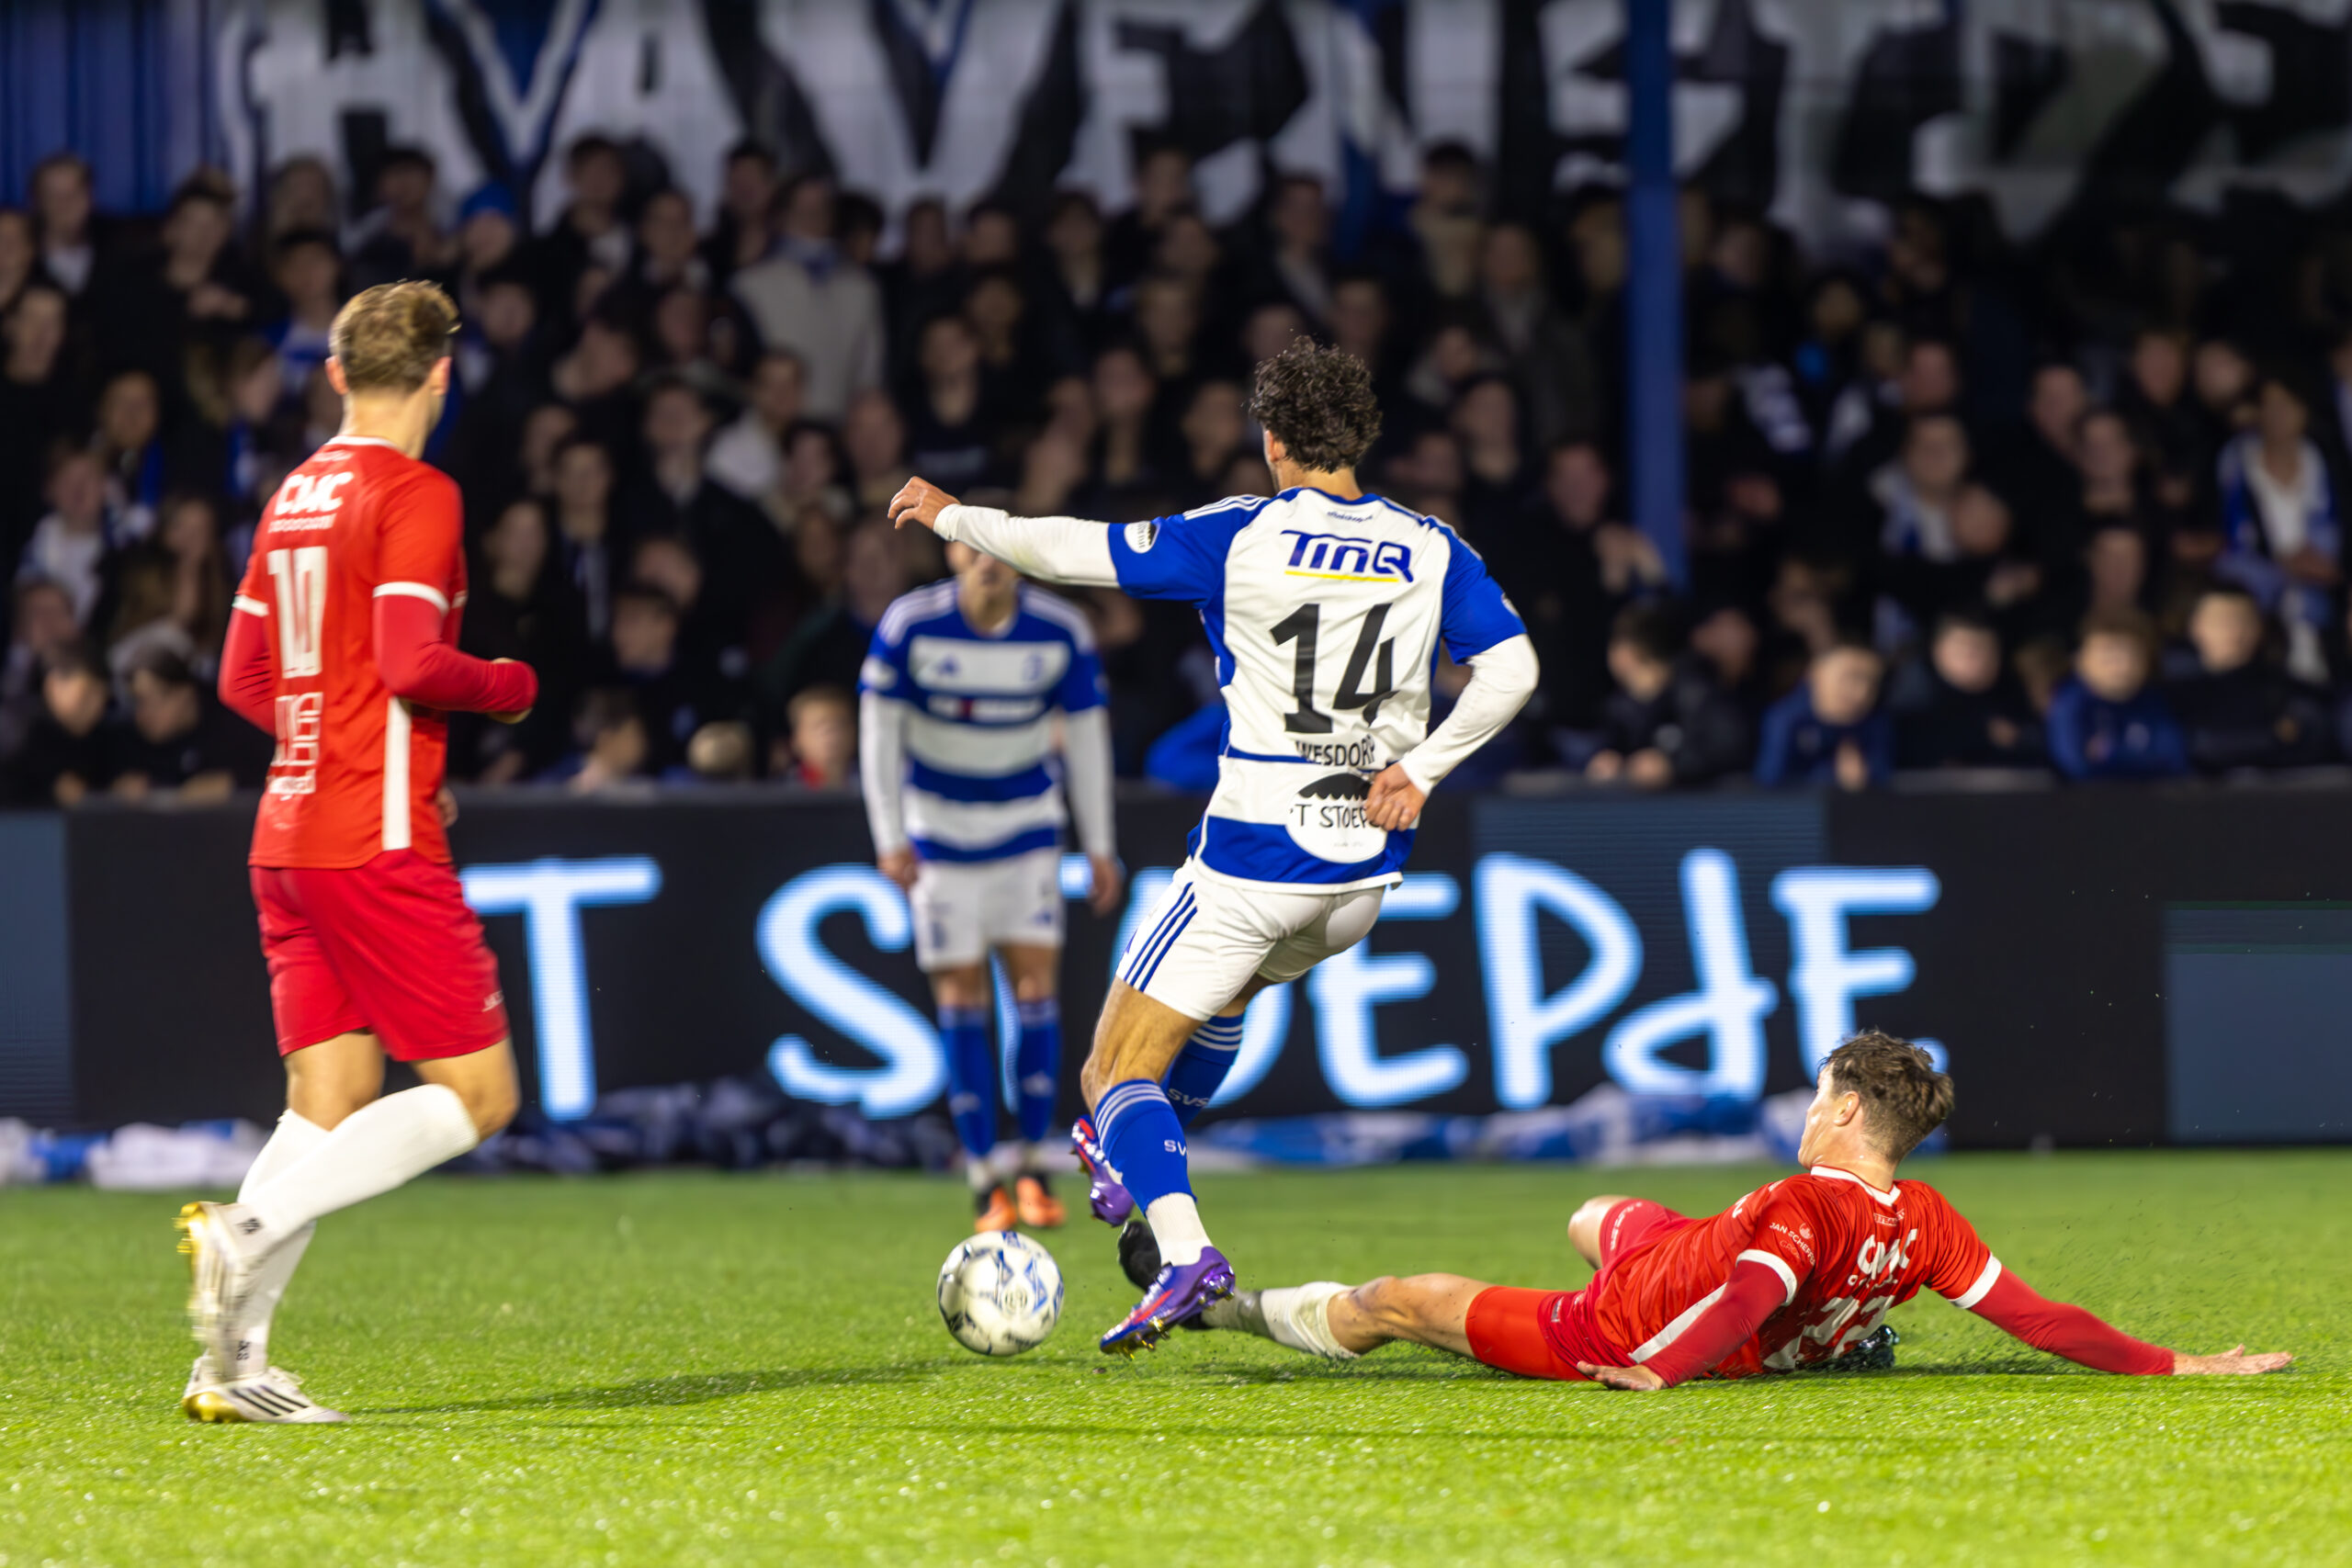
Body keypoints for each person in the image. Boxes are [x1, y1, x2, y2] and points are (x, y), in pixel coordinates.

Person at [887, 339, 1538, 1352]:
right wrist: (1423, 769)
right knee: (1221, 1002)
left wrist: (952, 517)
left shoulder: (1240, 535)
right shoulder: (1430, 545)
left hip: (1255, 856)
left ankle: (1180, 1242)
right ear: (1359, 437)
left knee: (1109, 1074)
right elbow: (1512, 668)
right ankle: (1150, 1172)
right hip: (1363, 874)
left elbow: (1073, 550)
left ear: (1271, 440)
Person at [175, 280, 539, 1425]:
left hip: (286, 832)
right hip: (371, 840)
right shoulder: (417, 490)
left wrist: (330, 748)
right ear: (442, 373)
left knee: (328, 1096)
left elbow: (242, 679)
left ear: (335, 375)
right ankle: (247, 1229)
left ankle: (228, 1369)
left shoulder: (293, 491)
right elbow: (413, 660)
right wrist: (511, 688)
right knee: (480, 1095)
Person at [1201, 1032, 2292, 1386]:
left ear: (1846, 1108)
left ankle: (1227, 1310)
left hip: (1619, 1323)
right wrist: (2175, 1364)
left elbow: (1746, 1291)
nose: (1804, 1106)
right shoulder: (1930, 1216)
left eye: (1817, 1093)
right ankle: (1845, 1334)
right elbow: (2034, 1317)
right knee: (1594, 1211)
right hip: (1676, 1253)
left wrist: (1654, 1367)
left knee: (1400, 1299)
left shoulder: (1797, 1205)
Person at [859, 541, 1122, 1231]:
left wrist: (1099, 844)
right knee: (961, 997)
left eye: (1000, 546)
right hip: (939, 835)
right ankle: (984, 1179)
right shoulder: (910, 624)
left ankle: (1033, 1165)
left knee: (1034, 992)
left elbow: (1089, 734)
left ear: (1022, 556)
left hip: (1027, 830)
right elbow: (878, 729)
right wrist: (889, 836)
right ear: (949, 552)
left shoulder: (1061, 629)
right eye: (972, 545)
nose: (987, 560)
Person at [2047, 607, 2188, 780]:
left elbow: (2174, 762)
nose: (2120, 666)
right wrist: (2140, 760)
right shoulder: (2070, 702)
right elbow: (2077, 767)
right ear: (2081, 660)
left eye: (2130, 655)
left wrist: (2109, 754)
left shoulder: (2155, 701)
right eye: (2108, 656)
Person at [1756, 642, 1893, 790]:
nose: (1862, 692)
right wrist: (1831, 776)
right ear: (1817, 673)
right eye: (1851, 677)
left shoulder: (1875, 721)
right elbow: (1769, 780)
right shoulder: (1786, 718)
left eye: (1872, 682)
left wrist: (1866, 776)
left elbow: (1884, 775)